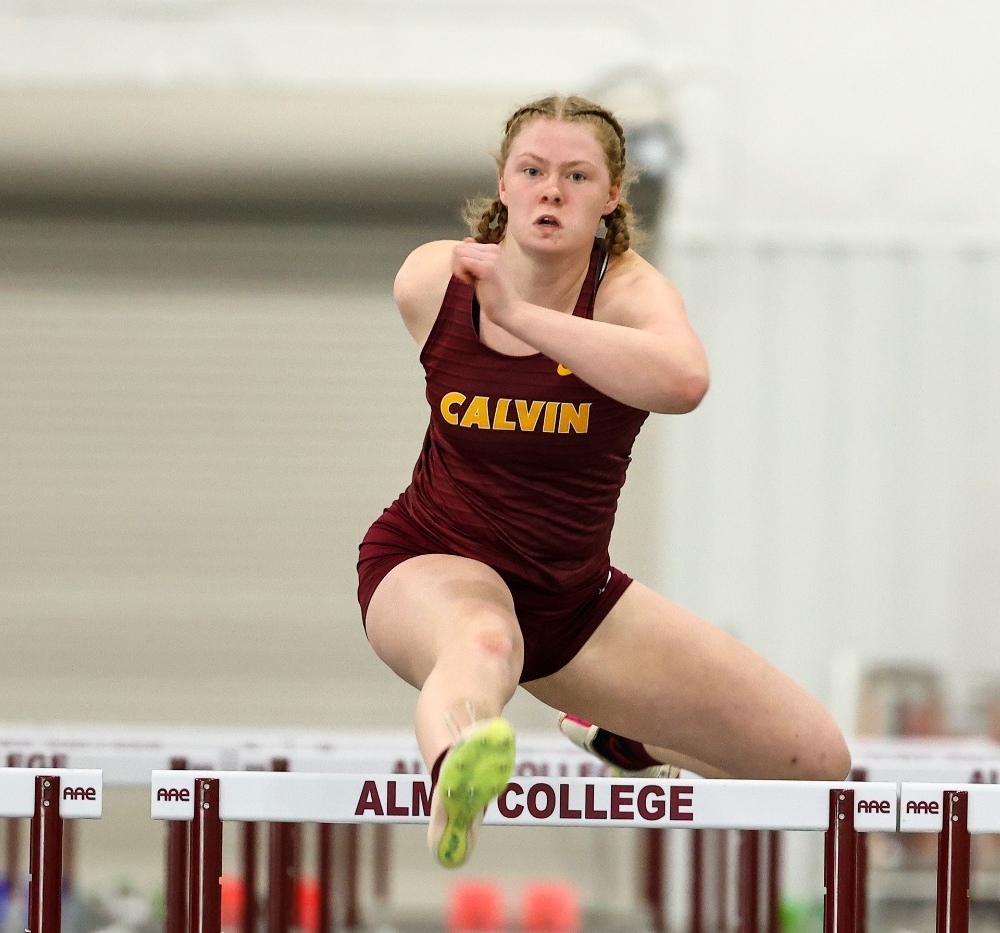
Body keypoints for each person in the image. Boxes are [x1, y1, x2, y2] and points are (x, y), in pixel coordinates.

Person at [361, 95, 850, 869]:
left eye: (576, 175)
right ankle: (457, 773)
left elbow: (685, 380)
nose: (551, 191)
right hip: (432, 560)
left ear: (611, 195)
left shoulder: (626, 291)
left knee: (819, 764)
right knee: (486, 640)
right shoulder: (433, 279)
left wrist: (522, 314)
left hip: (572, 598)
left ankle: (629, 738)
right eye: (533, 171)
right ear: (504, 184)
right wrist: (501, 306)